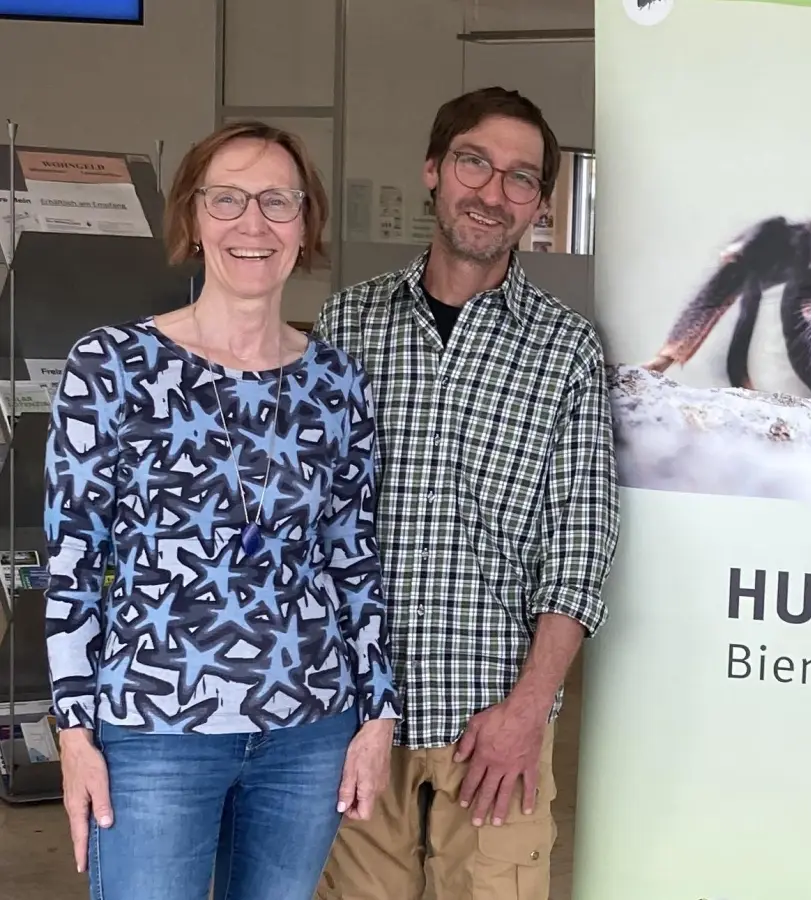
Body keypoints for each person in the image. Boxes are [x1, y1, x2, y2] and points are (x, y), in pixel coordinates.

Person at [42, 120, 402, 900]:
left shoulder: (337, 382)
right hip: (153, 732)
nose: (253, 223)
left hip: (309, 732)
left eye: (278, 201)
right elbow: (71, 564)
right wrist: (73, 733)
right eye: (228, 198)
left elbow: (353, 558)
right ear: (193, 219)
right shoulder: (111, 368)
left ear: (305, 228)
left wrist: (378, 718)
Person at [311, 87, 619, 900]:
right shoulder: (349, 324)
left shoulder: (566, 349)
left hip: (492, 730)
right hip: (352, 724)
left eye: (521, 178)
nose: (492, 191)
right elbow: (307, 523)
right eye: (474, 162)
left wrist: (527, 712)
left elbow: (581, 547)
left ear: (540, 206)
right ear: (433, 170)